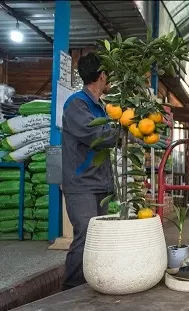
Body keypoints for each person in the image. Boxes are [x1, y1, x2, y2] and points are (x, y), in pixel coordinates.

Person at [61, 53, 117, 290]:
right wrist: (123, 131)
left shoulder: (101, 107)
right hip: (81, 184)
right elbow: (95, 134)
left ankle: (90, 286)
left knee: (98, 239)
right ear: (102, 75)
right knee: (84, 236)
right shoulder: (77, 104)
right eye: (109, 75)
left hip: (100, 184)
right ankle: (70, 290)